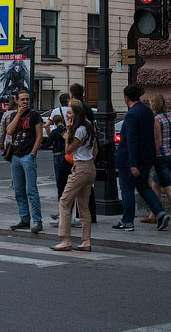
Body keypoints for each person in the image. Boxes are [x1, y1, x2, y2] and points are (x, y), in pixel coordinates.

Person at [113, 84, 169, 231]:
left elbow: (132, 140)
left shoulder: (132, 114)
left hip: (130, 160)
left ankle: (127, 221)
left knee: (127, 190)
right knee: (143, 187)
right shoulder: (147, 111)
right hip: (146, 158)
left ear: (126, 98)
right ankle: (160, 213)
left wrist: (132, 164)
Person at [54, 100, 97, 251]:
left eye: (70, 113)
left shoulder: (79, 130)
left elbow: (68, 150)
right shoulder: (90, 127)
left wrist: (68, 131)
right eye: (67, 113)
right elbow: (95, 151)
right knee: (83, 207)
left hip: (80, 168)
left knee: (65, 202)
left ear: (77, 115)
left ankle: (66, 239)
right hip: (90, 167)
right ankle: (86, 241)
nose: (67, 115)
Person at [143, 93, 171, 229]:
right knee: (155, 185)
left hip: (161, 157)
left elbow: (156, 140)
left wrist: (151, 155)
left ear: (153, 105)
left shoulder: (156, 119)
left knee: (168, 188)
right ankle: (153, 215)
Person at [6, 90, 44, 233]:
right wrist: (19, 114)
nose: (25, 102)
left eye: (27, 99)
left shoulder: (34, 115)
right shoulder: (13, 115)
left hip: (28, 156)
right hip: (15, 156)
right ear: (17, 101)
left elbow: (39, 136)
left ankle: (37, 220)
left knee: (31, 190)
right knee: (19, 190)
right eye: (22, 99)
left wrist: (33, 153)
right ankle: (24, 219)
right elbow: (9, 131)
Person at [69, 83, 97, 224]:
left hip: (79, 160)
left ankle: (69, 216)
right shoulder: (89, 110)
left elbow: (68, 147)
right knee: (86, 190)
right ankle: (87, 217)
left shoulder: (79, 128)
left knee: (66, 197)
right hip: (89, 157)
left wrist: (68, 130)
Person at [46, 115, 69, 201]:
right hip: (65, 153)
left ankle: (60, 190)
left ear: (54, 122)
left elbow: (48, 143)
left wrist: (43, 146)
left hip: (57, 153)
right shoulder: (66, 130)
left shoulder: (54, 132)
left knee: (57, 172)